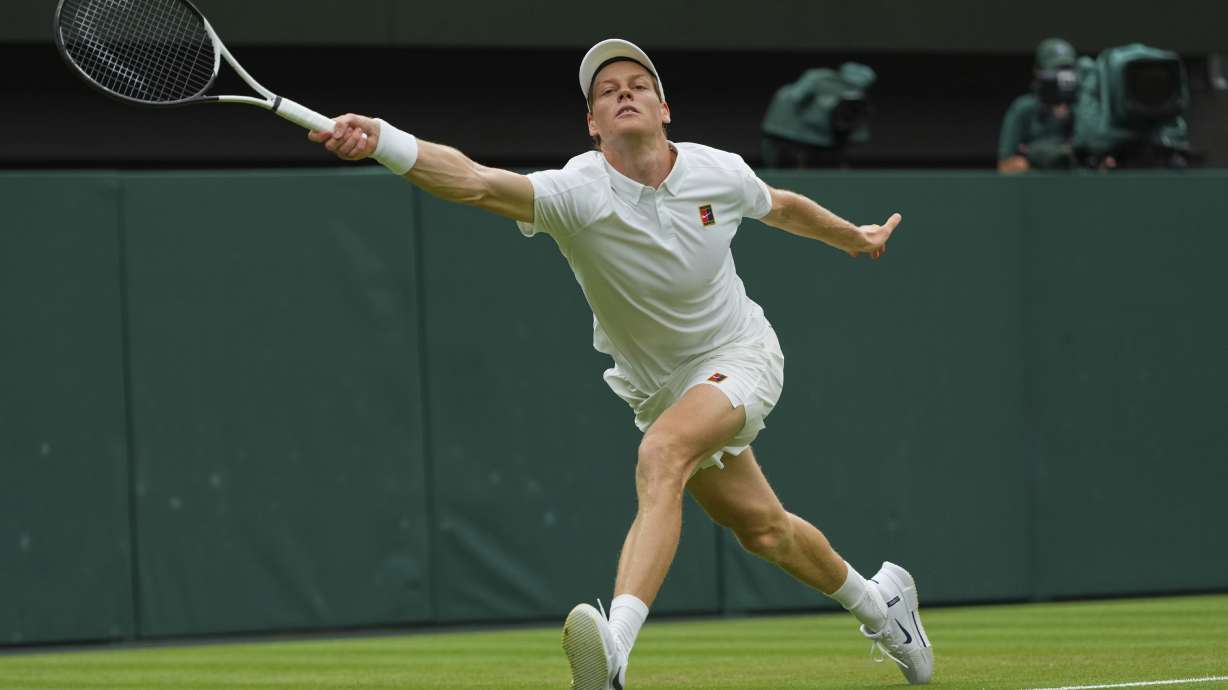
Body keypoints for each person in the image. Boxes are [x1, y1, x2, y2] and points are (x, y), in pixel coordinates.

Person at [307, 38, 933, 689]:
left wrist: (853, 238)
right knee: (765, 531)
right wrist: (383, 139)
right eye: (606, 91)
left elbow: (781, 207)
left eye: (636, 83)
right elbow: (473, 181)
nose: (623, 92)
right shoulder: (579, 192)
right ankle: (883, 606)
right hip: (658, 388)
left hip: (740, 355)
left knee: (661, 455)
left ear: (664, 108)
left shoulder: (717, 171)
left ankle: (616, 654)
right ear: (593, 124)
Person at [998, 37, 1082, 174]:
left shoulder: (1084, 109)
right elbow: (1005, 166)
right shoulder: (1024, 108)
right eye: (1055, 70)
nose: (1061, 77)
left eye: (1067, 70)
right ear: (1038, 71)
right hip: (1032, 189)